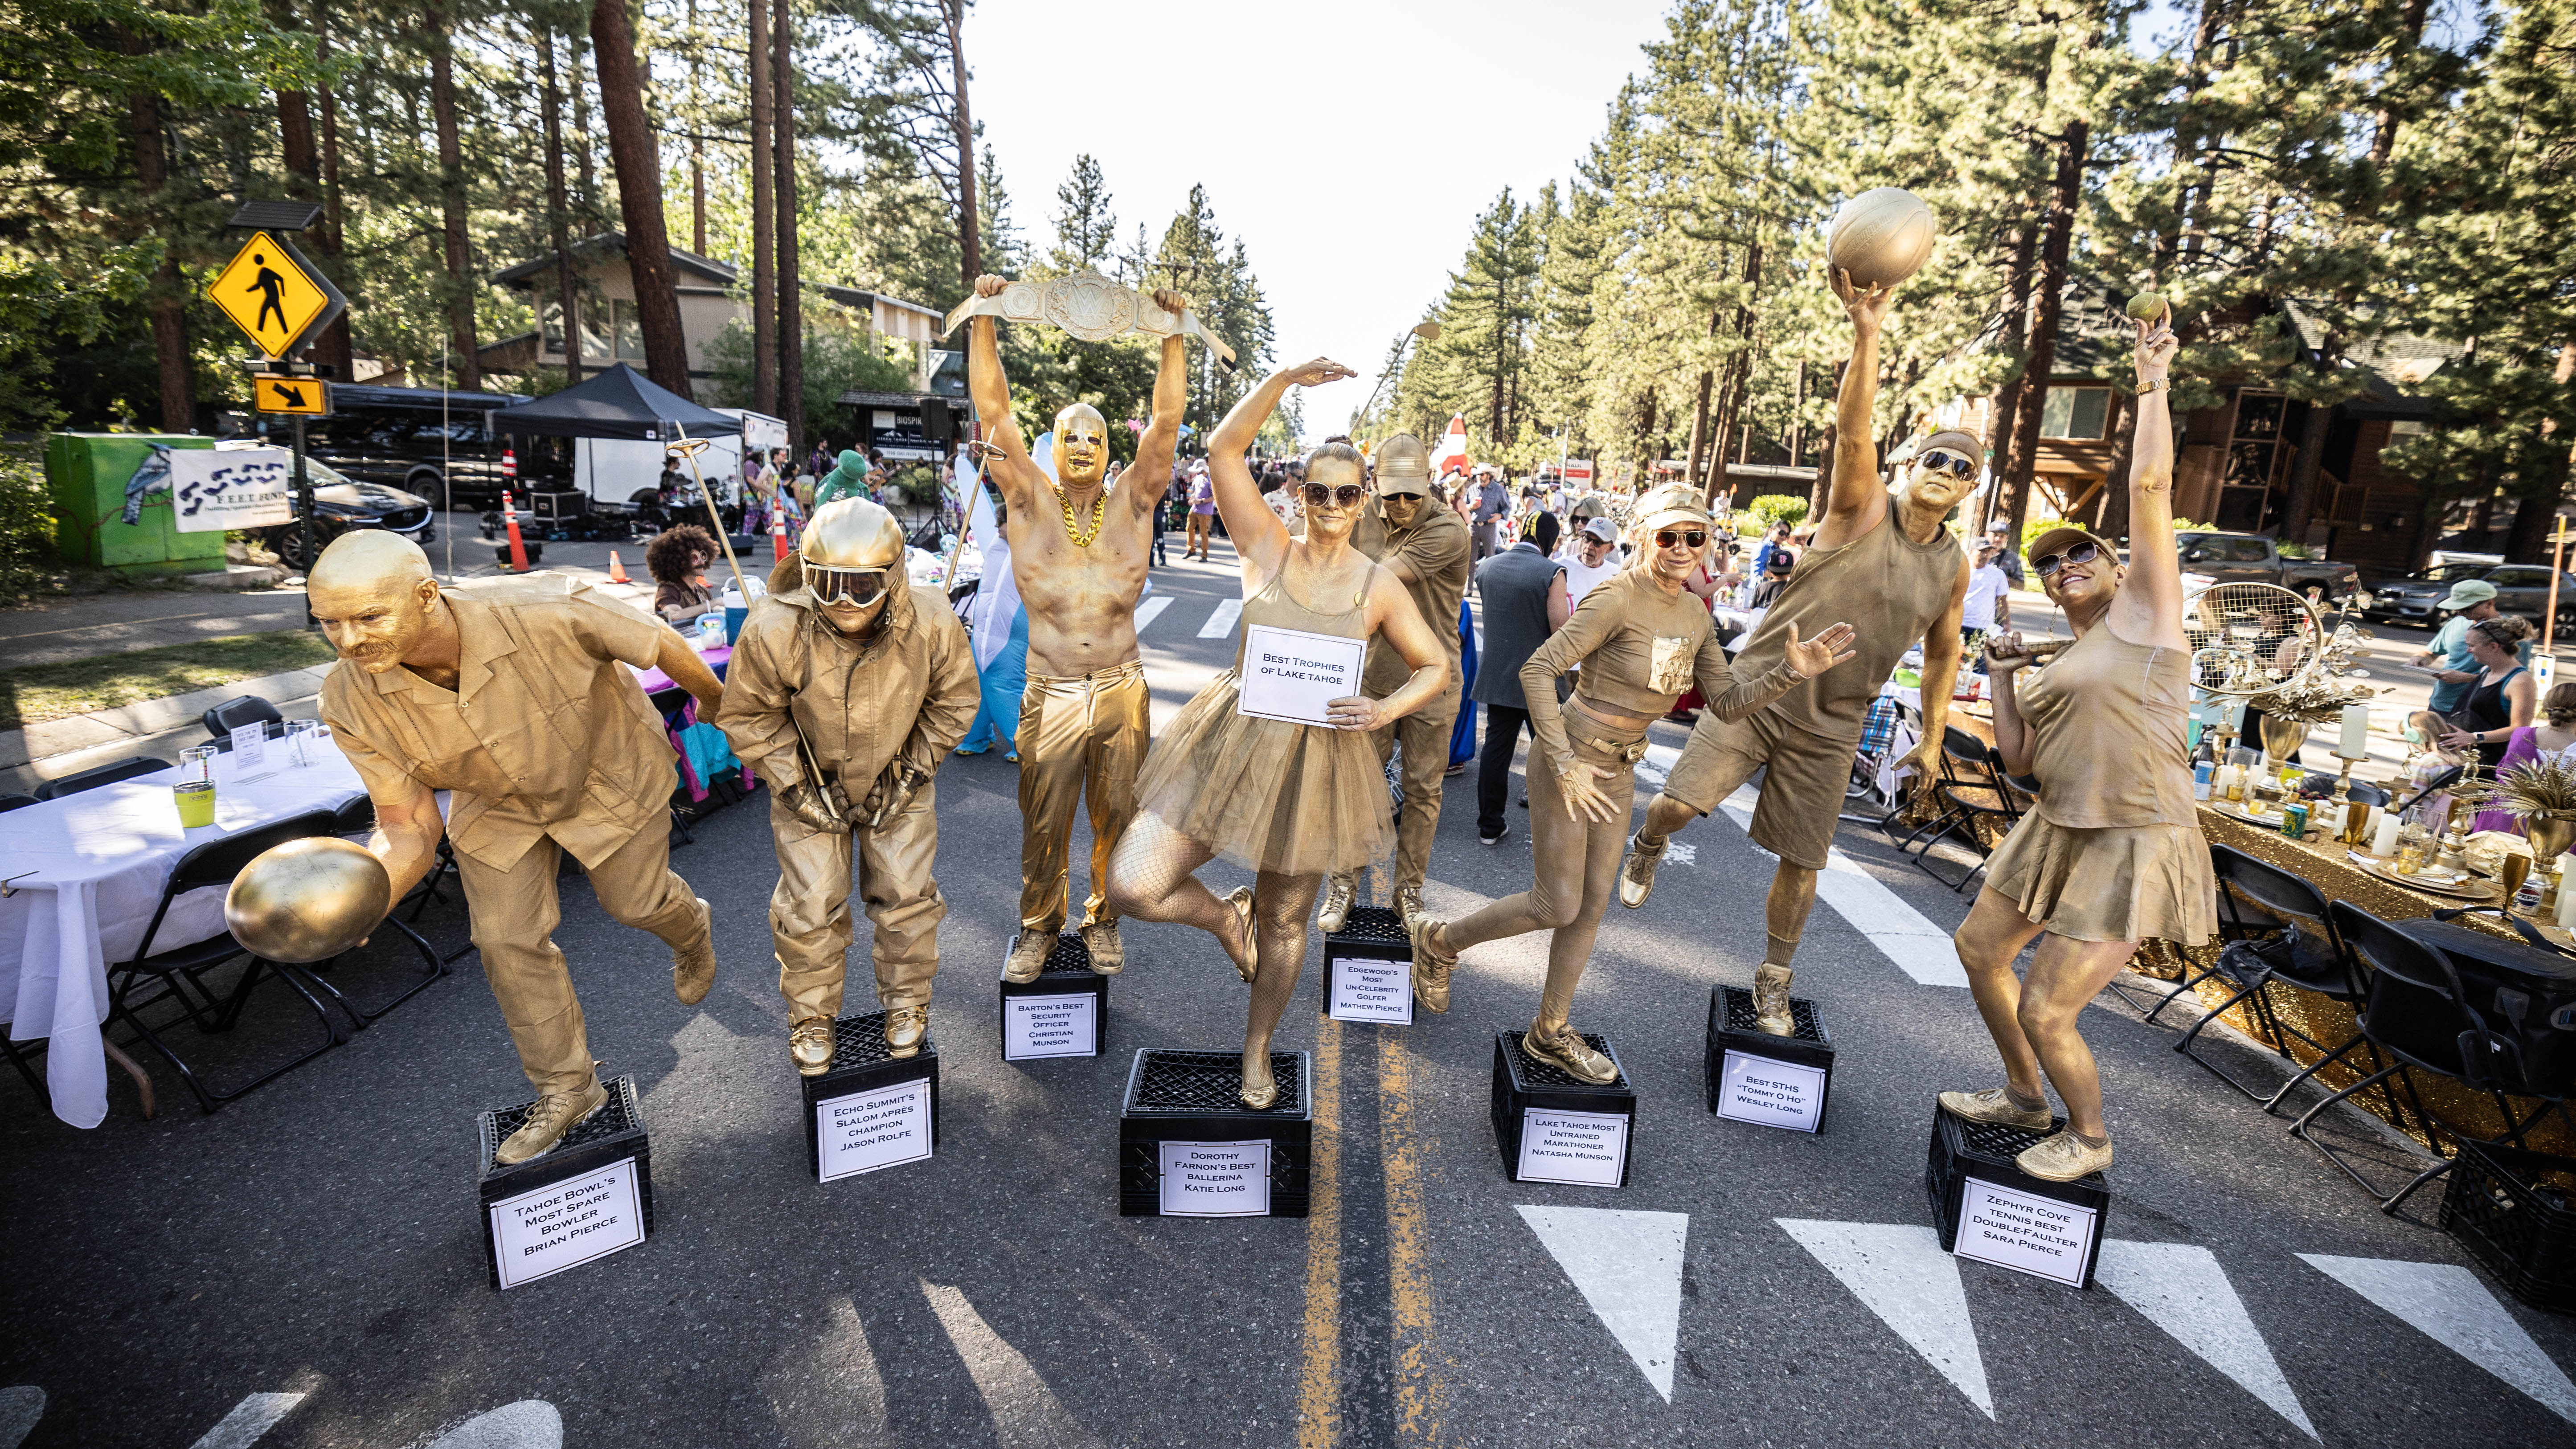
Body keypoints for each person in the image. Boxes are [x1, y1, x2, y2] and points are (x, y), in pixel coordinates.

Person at [1618, 266, 1974, 1036]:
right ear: (1911, 467)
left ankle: (1773, 979)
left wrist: (1936, 736)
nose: (1946, 472)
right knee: (1680, 803)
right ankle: (1647, 842)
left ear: (1971, 489)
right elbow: (1854, 430)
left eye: (1962, 468)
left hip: (1834, 720)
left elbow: (1944, 652)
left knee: (1803, 861)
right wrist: (1867, 332)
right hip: (1762, 689)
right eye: (1936, 459)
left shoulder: (1955, 563)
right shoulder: (1861, 509)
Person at [1407, 487, 1854, 1078]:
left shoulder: (1695, 614)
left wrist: (1788, 674)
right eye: (1667, 536)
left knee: (1591, 909)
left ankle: (1549, 1031)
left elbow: (1726, 703)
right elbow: (1538, 669)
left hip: (1618, 771)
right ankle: (1440, 943)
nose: (1681, 549)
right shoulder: (1615, 598)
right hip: (1571, 760)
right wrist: (1563, 761)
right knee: (1556, 902)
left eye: (1694, 537)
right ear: (1643, 536)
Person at [310, 533, 723, 1165]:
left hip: (604, 771)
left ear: (426, 596)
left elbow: (656, 640)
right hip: (496, 805)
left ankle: (690, 927)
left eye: (369, 617)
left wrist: (718, 701)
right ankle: (569, 1090)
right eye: (330, 624)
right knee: (504, 940)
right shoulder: (347, 697)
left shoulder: (545, 604)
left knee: (635, 903)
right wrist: (372, 896)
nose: (349, 640)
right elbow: (408, 823)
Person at [1104, 362, 1449, 1107]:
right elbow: (1226, 450)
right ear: (1298, 493)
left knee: (1289, 923)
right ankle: (1227, 917)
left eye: (1346, 493)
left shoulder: (1377, 582)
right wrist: (1284, 380)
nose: (1330, 504)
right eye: (1317, 490)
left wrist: (1384, 711)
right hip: (1229, 739)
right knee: (1132, 884)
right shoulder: (1266, 548)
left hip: (1317, 760)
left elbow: (1435, 666)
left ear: (1364, 501)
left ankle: (1257, 1049)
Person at [1947, 305, 2210, 1183]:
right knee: (1978, 951)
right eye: (2050, 564)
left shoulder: (2146, 617)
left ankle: (2088, 1137)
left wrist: (2150, 382)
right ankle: (2025, 1097)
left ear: (2117, 565)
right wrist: (2003, 673)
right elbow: (2016, 758)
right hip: (2055, 825)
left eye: (2080, 554)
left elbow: (2147, 492)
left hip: (2130, 836)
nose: (2064, 568)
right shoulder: (2062, 654)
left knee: (2048, 1008)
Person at [966, 270, 1194, 981]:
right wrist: (984, 316)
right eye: (1071, 435)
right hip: (1052, 686)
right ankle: (1039, 928)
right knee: (1044, 821)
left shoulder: (1134, 502)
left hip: (1122, 686)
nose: (1085, 446)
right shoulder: (1029, 500)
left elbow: (1166, 424)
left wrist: (1172, 336)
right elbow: (992, 408)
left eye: (1096, 436)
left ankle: (1103, 920)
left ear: (1108, 449)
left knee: (1116, 818)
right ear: (1051, 444)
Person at [717, 499, 979, 1073]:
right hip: (810, 783)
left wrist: (911, 772)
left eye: (863, 586)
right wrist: (796, 788)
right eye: (828, 583)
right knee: (810, 903)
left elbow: (955, 700)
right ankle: (811, 1014)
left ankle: (907, 1003)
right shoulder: (773, 628)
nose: (844, 601)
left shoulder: (932, 620)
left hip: (898, 783)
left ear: (894, 576)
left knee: (906, 896)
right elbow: (749, 716)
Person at [1319, 432, 1472, 937]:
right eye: (1392, 494)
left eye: (1413, 492)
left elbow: (1375, 581)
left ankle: (1408, 891)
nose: (1404, 504)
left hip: (1433, 683)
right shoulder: (1358, 515)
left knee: (1423, 792)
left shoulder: (1449, 530)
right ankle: (1343, 884)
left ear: (1429, 482)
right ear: (1376, 484)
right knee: (1357, 789)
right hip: (1371, 680)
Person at [1472, 512, 1572, 847]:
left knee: (1496, 750)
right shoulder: (1551, 572)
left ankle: (1489, 824)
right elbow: (1561, 630)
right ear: (1550, 540)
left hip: (1498, 675)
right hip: (1541, 678)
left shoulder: (1488, 566)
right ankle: (1555, 828)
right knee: (1550, 750)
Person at [2406, 614, 2536, 771]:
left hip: (2491, 766)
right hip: (2466, 761)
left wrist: (2475, 737)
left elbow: (2520, 729)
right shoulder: (2486, 672)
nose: (2469, 650)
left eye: (2472, 646)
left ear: (2494, 647)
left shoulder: (2521, 681)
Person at [2413, 578, 2531, 717]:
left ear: (2489, 603)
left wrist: (2465, 678)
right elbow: (2431, 652)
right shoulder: (2456, 623)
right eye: (2457, 608)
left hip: (2479, 711)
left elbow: (2515, 679)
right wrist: (2420, 659)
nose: (2460, 614)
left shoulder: (2512, 633)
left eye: (2466, 609)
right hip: (2441, 704)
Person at [2473, 681, 2576, 832]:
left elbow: (2504, 774)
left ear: (2547, 706)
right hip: (2558, 828)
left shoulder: (2522, 735)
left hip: (2507, 817)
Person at [644, 523, 719, 624]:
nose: (701, 562)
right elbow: (674, 615)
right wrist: (714, 603)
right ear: (679, 561)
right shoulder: (668, 590)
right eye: (694, 558)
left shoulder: (703, 591)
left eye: (703, 556)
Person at [1561, 516, 1622, 604]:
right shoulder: (1562, 567)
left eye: (1598, 543)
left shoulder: (1616, 576)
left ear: (1610, 548)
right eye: (1587, 539)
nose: (1589, 547)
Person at [1962, 537, 2011, 643]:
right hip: (1960, 624)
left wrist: (2007, 623)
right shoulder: (1960, 571)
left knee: (1979, 657)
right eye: (1982, 551)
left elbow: (2001, 601)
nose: (1985, 555)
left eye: (1988, 552)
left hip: (1984, 627)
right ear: (1971, 552)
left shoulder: (1998, 574)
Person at [1468, 466, 1511, 572]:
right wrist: (1471, 507)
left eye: (1481, 474)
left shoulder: (1499, 490)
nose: (1479, 477)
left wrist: (1500, 516)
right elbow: (1464, 506)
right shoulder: (1472, 488)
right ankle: (1469, 587)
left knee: (1490, 558)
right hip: (1474, 526)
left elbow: (1507, 507)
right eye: (1478, 475)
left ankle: (1487, 584)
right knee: (1471, 558)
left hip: (1489, 526)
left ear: (1489, 475)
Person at [1984, 520, 2025, 589]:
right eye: (1995, 535)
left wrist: (2003, 578)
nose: (1998, 539)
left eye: (2002, 536)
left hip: (1996, 599)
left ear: (2007, 538)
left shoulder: (2012, 558)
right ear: (1986, 535)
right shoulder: (1976, 553)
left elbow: (2021, 586)